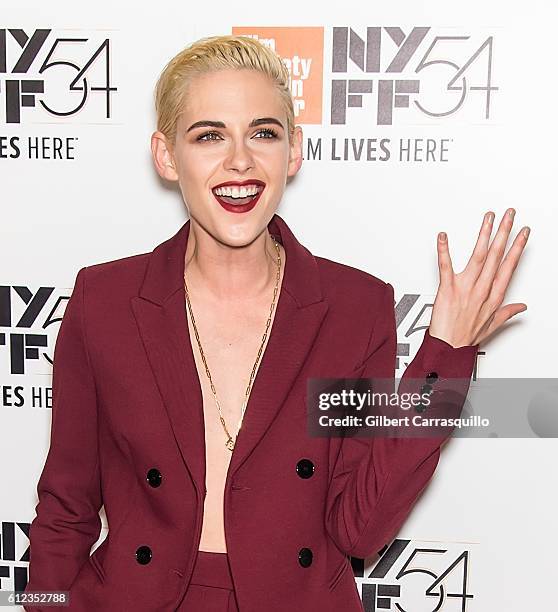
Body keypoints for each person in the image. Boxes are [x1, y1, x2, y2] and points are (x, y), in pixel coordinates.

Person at [23, 35, 530, 611]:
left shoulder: (355, 309)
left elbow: (360, 528)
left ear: (293, 152)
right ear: (167, 156)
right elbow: (65, 508)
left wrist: (446, 353)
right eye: (209, 135)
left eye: (263, 133)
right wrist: (42, 607)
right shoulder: (103, 301)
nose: (240, 160)